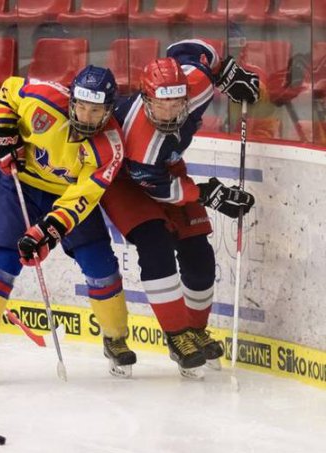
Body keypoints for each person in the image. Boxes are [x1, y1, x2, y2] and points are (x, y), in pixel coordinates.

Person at [0, 65, 135, 383]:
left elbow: (80, 199)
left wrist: (47, 232)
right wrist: (6, 131)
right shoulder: (44, 98)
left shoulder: (110, 148)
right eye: (81, 106)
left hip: (67, 196)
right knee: (1, 262)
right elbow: (9, 89)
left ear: (109, 110)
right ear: (72, 100)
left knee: (101, 265)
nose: (86, 117)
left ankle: (115, 337)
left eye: (95, 110)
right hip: (18, 184)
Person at [101, 40, 258, 377]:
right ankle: (177, 336)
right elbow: (163, 191)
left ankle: (196, 330)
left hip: (166, 170)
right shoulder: (142, 144)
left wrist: (226, 70)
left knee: (199, 252)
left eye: (177, 103)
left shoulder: (196, 86)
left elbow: (189, 48)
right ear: (146, 99)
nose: (171, 112)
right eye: (162, 104)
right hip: (123, 179)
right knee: (155, 244)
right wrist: (209, 194)